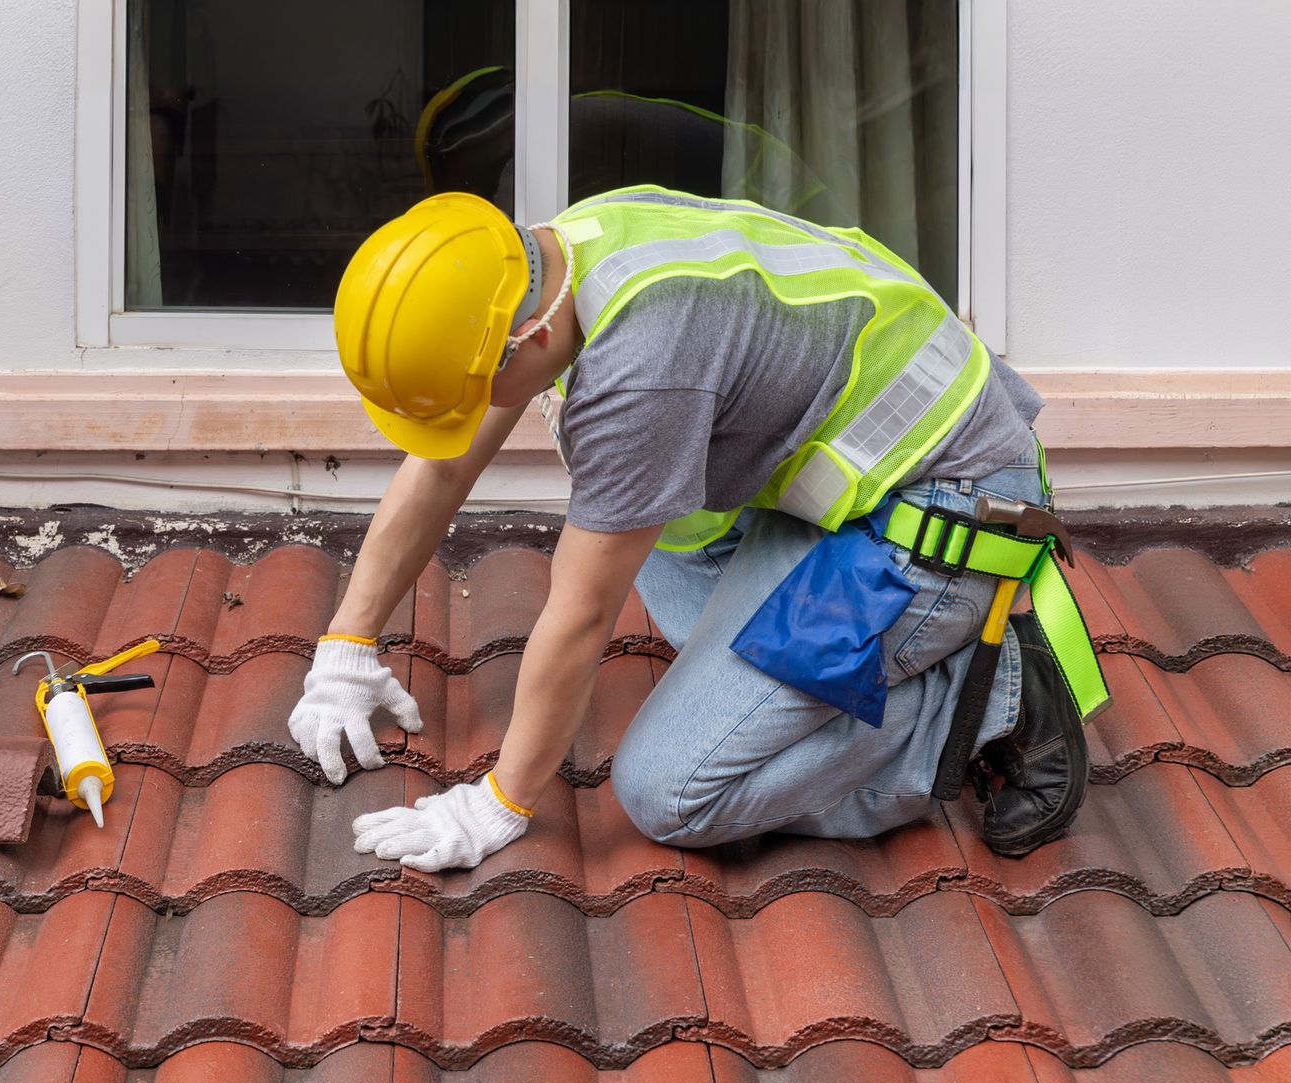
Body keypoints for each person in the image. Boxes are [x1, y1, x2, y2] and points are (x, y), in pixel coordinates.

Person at [288, 186, 1107, 873]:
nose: (477, 420)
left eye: (477, 392)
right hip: (863, 480)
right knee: (656, 531)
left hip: (944, 512)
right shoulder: (563, 252)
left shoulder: (643, 369)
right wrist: (347, 648)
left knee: (670, 790)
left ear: (525, 339)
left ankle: (983, 702)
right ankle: (847, 665)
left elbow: (578, 616)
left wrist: (498, 802)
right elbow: (442, 467)